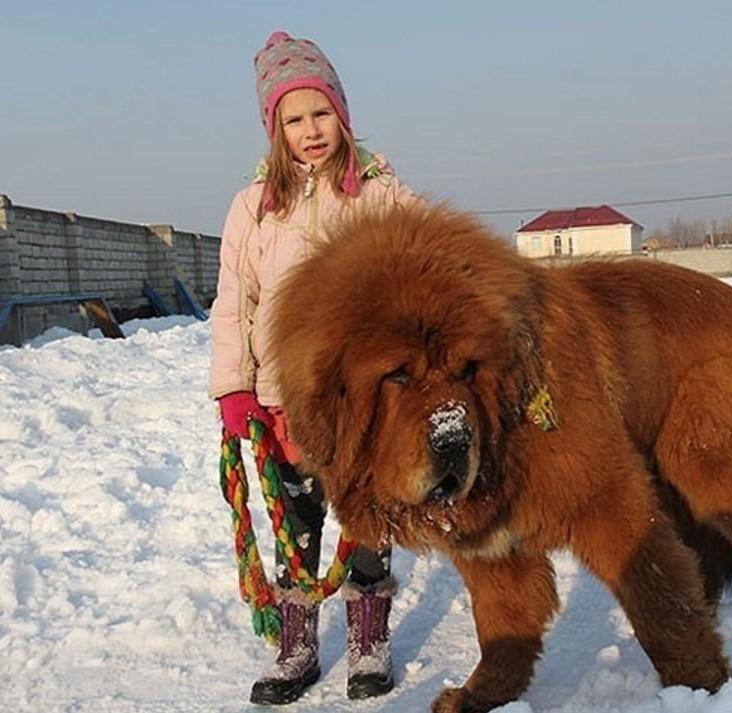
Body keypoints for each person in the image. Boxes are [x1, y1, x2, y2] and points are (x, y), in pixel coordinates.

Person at [208, 30, 418, 706]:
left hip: (366, 400)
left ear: (342, 113)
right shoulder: (253, 207)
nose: (311, 130)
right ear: (274, 128)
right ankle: (296, 645)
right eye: (294, 119)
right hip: (286, 398)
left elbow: (428, 258)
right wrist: (234, 387)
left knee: (368, 517)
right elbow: (234, 302)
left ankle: (368, 641)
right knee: (295, 522)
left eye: (321, 112)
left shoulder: (380, 193)